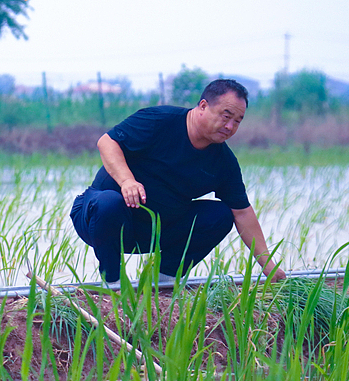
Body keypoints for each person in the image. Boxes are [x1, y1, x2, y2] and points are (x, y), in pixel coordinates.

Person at [70, 78, 286, 283]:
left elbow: (242, 212)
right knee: (109, 203)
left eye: (237, 121)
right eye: (225, 116)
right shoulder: (159, 120)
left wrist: (267, 264)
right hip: (101, 220)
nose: (229, 126)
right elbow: (107, 142)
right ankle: (113, 282)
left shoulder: (223, 161)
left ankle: (163, 281)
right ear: (203, 106)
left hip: (155, 230)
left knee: (220, 215)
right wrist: (127, 181)